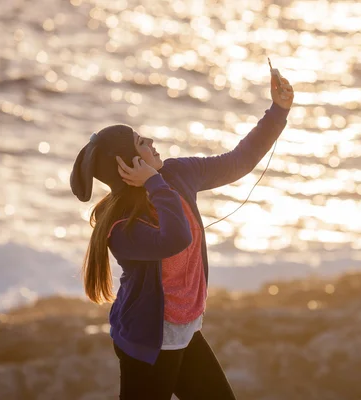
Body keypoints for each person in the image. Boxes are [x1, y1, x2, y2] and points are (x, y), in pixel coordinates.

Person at [69, 69, 294, 399]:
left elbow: (238, 160)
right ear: (128, 164)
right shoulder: (120, 227)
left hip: (186, 331)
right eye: (140, 143)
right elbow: (175, 238)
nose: (151, 142)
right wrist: (154, 184)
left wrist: (278, 110)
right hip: (148, 343)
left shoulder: (178, 173)